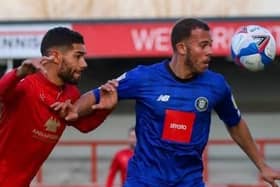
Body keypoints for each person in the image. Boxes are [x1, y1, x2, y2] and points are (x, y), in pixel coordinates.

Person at [62, 18, 280, 187]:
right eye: (203, 45)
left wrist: (262, 165)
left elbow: (235, 122)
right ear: (182, 48)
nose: (210, 52)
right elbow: (97, 93)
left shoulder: (217, 85)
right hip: (144, 180)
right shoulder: (143, 78)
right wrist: (75, 111)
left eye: (210, 45)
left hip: (189, 181)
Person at [0, 27, 117, 187]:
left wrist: (105, 109)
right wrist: (18, 73)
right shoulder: (28, 83)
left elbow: (84, 125)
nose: (84, 64)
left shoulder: (71, 93)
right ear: (55, 56)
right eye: (78, 56)